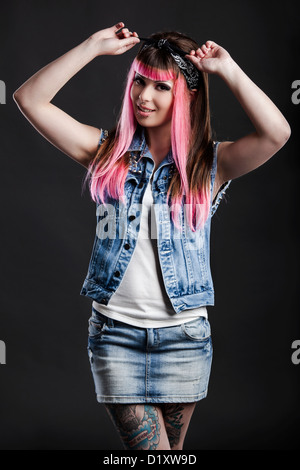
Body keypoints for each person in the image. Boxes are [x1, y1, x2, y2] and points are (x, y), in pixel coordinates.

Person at [13, 22, 290, 451]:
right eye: (139, 82)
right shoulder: (107, 155)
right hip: (116, 335)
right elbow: (29, 99)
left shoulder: (209, 167)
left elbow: (278, 133)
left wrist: (229, 70)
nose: (144, 96)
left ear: (187, 95)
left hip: (185, 339)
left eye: (161, 87)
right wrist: (92, 46)